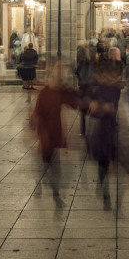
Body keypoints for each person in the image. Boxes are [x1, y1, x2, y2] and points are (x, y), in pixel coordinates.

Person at [29, 60, 79, 207]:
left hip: (54, 131)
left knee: (52, 166)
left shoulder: (61, 91)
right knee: (48, 164)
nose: (60, 76)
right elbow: (37, 113)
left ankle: (52, 192)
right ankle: (50, 191)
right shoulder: (45, 93)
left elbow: (74, 102)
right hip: (45, 134)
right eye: (58, 73)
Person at [85, 59, 123, 210]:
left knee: (114, 161)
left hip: (111, 127)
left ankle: (109, 194)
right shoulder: (95, 88)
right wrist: (95, 106)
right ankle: (105, 192)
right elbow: (89, 107)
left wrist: (104, 107)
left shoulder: (115, 88)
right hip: (100, 129)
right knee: (103, 162)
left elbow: (114, 107)